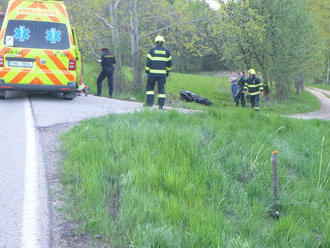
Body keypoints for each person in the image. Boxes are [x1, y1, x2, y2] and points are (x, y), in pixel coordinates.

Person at [145, 35, 172, 109]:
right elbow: (169, 64)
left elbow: (148, 63)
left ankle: (149, 104)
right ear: (163, 42)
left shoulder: (151, 51)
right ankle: (160, 106)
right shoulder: (167, 52)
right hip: (162, 75)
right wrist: (167, 73)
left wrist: (147, 72)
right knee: (161, 90)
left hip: (152, 74)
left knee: (150, 89)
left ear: (156, 42)